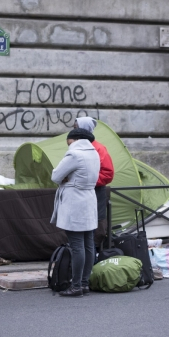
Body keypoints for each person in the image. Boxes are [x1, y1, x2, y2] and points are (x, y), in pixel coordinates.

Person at [51, 127, 100, 297]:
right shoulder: (94, 153)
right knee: (88, 244)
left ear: (74, 139)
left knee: (77, 245)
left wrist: (66, 177)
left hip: (75, 203)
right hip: (89, 199)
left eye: (68, 141)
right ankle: (84, 283)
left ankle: (76, 285)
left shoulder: (74, 154)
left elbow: (56, 176)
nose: (67, 144)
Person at [74, 117, 115, 249]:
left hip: (95, 191)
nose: (72, 131)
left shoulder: (99, 148)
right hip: (80, 191)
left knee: (94, 226)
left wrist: (87, 181)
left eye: (76, 128)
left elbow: (108, 173)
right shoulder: (75, 147)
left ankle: (94, 257)